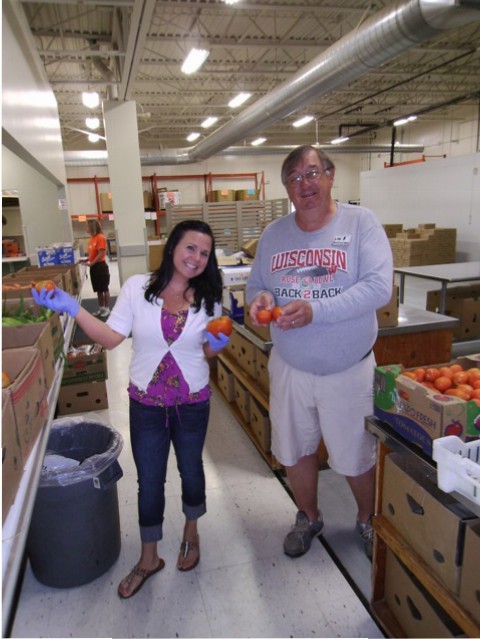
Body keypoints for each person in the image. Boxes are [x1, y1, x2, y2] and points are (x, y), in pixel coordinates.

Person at [32, 220, 231, 598]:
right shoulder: (138, 288)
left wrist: (216, 345)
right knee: (150, 481)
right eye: (190, 248)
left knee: (191, 469)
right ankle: (148, 557)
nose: (197, 258)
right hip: (147, 405)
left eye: (204, 253)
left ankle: (192, 530)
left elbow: (204, 351)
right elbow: (110, 339)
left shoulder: (208, 297)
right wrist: (72, 307)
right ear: (173, 247)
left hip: (192, 403)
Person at [246, 145, 393, 560]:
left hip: (348, 368)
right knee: (294, 449)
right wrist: (257, 301)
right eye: (294, 178)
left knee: (355, 455)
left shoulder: (361, 223)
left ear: (330, 175)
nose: (304, 184)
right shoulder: (274, 234)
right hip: (291, 365)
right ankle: (308, 516)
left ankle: (367, 521)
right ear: (286, 188)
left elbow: (379, 287)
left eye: (311, 173)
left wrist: (317, 310)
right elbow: (257, 285)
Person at [85, 218, 111, 318]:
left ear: (92, 227)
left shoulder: (100, 238)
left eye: (87, 226)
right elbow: (93, 254)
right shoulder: (92, 240)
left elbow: (101, 254)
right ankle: (101, 308)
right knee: (98, 290)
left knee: (104, 288)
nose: (86, 228)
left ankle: (107, 308)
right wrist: (86, 260)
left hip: (100, 267)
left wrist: (92, 263)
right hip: (94, 267)